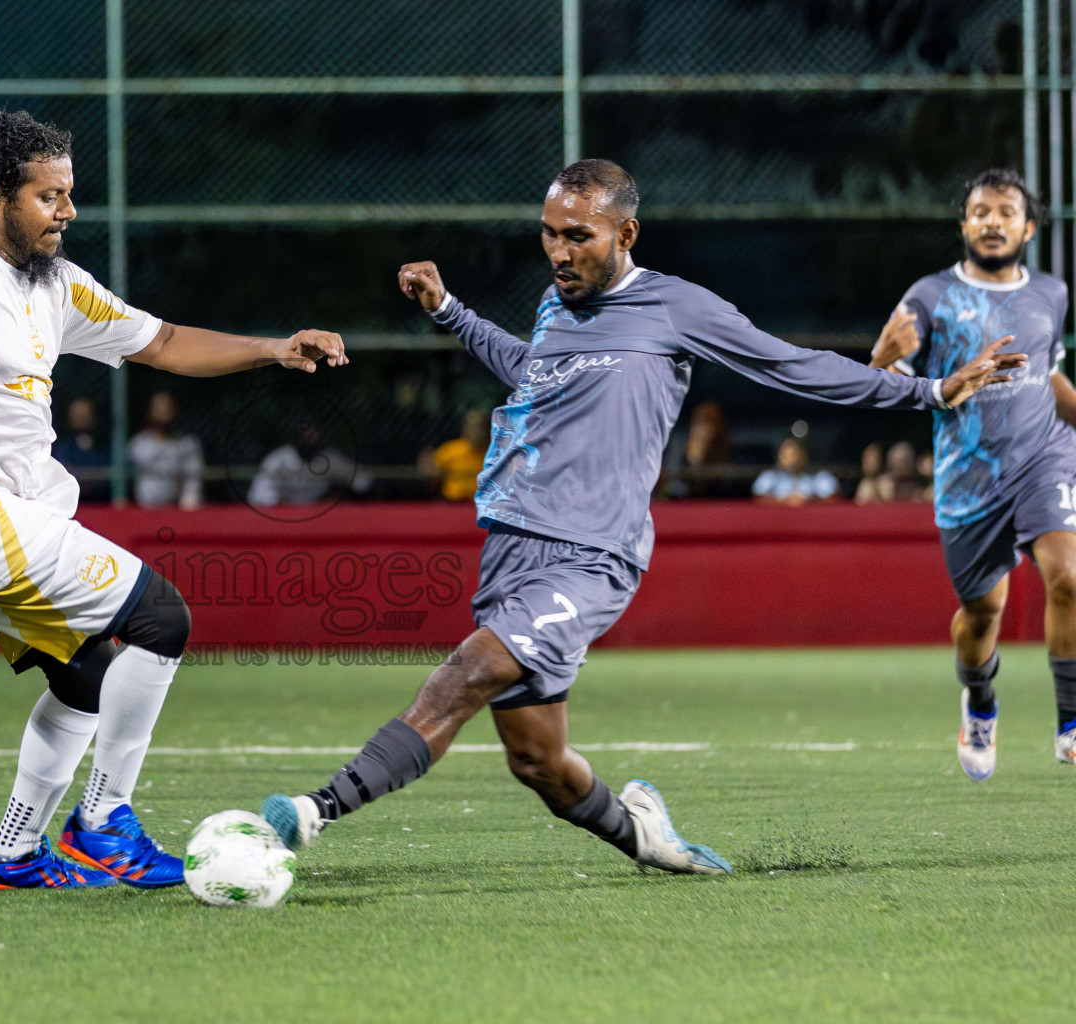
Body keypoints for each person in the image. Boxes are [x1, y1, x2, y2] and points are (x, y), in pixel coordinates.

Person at [261, 159, 1019, 876]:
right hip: (513, 549)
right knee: (539, 765)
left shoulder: (675, 306)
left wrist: (930, 393)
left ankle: (309, 813)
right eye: (550, 233)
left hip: (591, 556)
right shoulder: (559, 303)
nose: (558, 251)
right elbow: (535, 374)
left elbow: (792, 365)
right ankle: (644, 837)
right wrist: (452, 313)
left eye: (578, 236)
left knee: (469, 671)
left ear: (624, 236)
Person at [0, 110, 346, 892]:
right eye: (50, 196)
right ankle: (103, 822)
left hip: (3, 520)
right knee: (160, 616)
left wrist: (271, 348)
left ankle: (13, 854)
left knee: (88, 673)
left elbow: (160, 341)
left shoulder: (53, 284)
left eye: (69, 194)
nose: (68, 211)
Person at [868, 167, 1076, 779]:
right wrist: (883, 361)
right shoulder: (929, 297)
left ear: (1028, 227)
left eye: (1006, 211)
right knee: (982, 614)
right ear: (964, 225)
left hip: (1045, 457)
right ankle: (980, 700)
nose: (992, 221)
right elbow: (891, 380)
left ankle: (1070, 724)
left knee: (1069, 574)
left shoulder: (1051, 293)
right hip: (970, 479)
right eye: (981, 211)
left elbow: (1048, 377)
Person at [247, 416, 367, 506]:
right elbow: (258, 498)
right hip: (284, 520)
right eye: (303, 435)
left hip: (323, 519)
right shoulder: (277, 460)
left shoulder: (330, 459)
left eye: (312, 435)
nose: (308, 439)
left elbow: (363, 484)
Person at [128, 391, 203, 510]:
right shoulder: (138, 443)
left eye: (167, 410)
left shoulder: (187, 444)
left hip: (175, 510)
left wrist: (189, 505)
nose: (163, 415)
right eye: (158, 410)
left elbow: (192, 479)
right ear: (149, 412)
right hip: (142, 510)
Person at [52, 395, 109, 502]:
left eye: (85, 415)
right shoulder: (61, 447)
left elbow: (109, 473)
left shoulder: (105, 446)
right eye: (77, 416)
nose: (82, 419)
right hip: (69, 501)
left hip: (102, 501)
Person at [424, 409, 490, 502]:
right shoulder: (449, 450)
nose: (477, 432)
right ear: (465, 428)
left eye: (481, 427)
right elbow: (435, 481)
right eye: (473, 427)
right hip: (452, 504)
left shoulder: (494, 454)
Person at [751, 437, 837, 505]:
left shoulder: (818, 476)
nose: (791, 461)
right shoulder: (769, 477)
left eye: (794, 455)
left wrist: (808, 501)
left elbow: (834, 500)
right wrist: (784, 502)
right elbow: (757, 500)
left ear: (804, 455)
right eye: (785, 456)